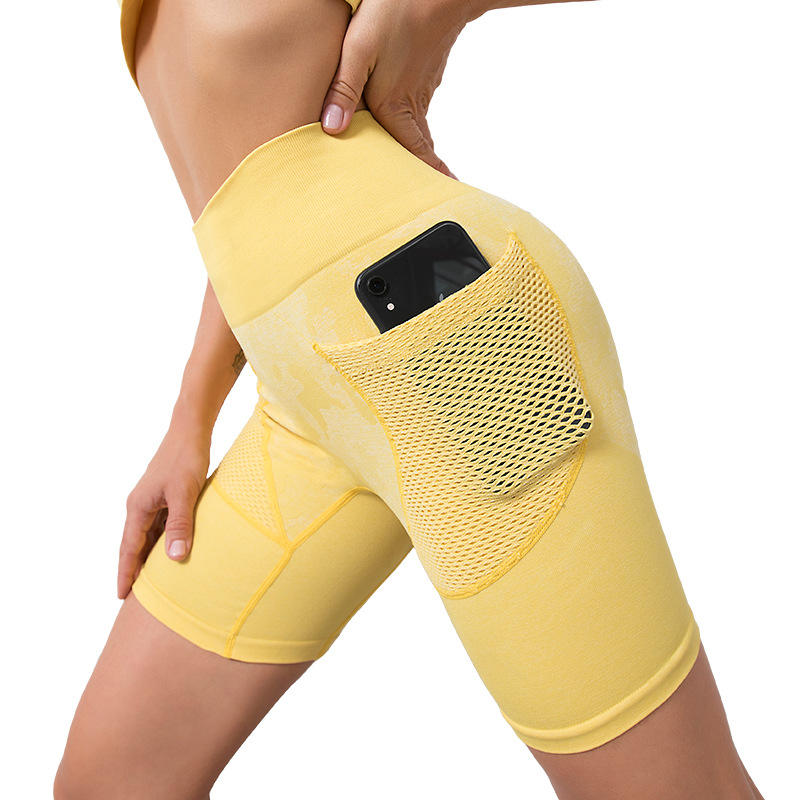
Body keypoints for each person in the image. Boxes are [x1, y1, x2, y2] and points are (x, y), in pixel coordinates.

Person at [55, 1, 764, 798]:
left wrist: (432, 5)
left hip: (456, 352)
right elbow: (257, 201)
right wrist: (190, 417)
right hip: (306, 404)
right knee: (108, 779)